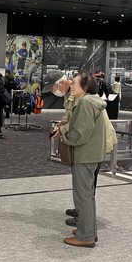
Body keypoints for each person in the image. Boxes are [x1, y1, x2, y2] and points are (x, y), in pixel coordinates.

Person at [59, 71, 108, 248]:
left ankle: (86, 235)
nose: (71, 85)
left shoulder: (86, 103)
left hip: (85, 155)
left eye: (74, 83)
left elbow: (79, 134)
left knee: (83, 197)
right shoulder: (91, 101)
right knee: (87, 195)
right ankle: (88, 230)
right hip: (92, 154)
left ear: (85, 86)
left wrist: (64, 134)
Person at [44, 71, 79, 226]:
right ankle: (80, 210)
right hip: (80, 142)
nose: (53, 92)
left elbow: (79, 121)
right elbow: (70, 116)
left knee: (84, 184)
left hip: (88, 145)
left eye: (52, 88)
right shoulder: (69, 94)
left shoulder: (79, 95)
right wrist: (62, 124)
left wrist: (63, 128)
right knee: (79, 181)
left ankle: (83, 217)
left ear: (61, 83)